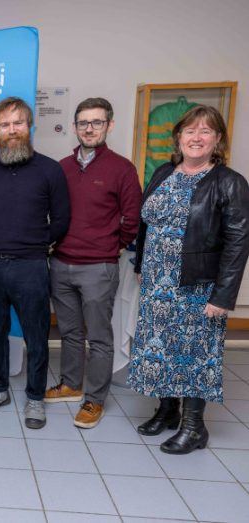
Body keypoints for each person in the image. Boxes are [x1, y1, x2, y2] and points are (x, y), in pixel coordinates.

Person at [128, 105, 249, 454]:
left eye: (205, 131)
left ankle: (194, 427)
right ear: (178, 138)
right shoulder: (164, 172)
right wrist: (140, 264)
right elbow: (147, 222)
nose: (196, 138)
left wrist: (224, 296)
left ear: (218, 140)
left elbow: (238, 244)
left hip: (198, 287)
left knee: (196, 355)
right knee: (161, 348)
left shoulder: (229, 182)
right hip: (157, 284)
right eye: (190, 131)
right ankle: (167, 410)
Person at [0, 97, 70, 429]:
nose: (12, 130)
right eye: (5, 125)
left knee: (36, 335)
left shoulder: (50, 169)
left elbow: (61, 219)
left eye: (18, 123)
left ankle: (35, 398)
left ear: (29, 126)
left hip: (30, 267)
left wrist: (36, 244)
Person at [45, 98, 142, 428]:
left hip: (98, 267)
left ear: (109, 126)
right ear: (74, 127)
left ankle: (94, 400)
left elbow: (133, 219)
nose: (89, 128)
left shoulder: (121, 168)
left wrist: (112, 246)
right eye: (83, 122)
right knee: (70, 332)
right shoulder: (61, 167)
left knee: (99, 337)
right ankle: (71, 385)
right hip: (60, 264)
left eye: (96, 122)